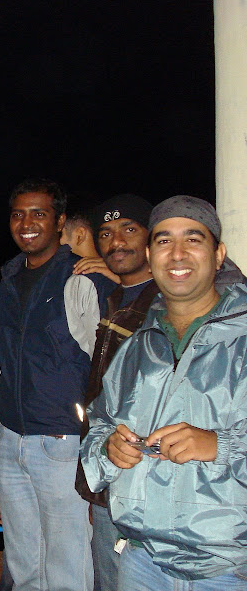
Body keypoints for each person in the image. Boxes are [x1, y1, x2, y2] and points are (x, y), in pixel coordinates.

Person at [81, 196, 247, 590]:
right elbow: (99, 424)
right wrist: (108, 448)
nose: (177, 253)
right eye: (164, 241)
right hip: (142, 558)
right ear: (150, 255)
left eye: (193, 239)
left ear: (218, 255)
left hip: (228, 566)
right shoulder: (138, 346)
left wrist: (220, 445)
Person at [0, 178, 114, 591]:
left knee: (68, 565)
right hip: (13, 441)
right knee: (23, 564)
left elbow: (109, 377)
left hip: (64, 443)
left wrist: (95, 459)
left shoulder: (82, 282)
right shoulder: (0, 292)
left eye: (39, 213)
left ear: (59, 222)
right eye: (18, 214)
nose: (27, 223)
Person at [72, 194, 157, 591]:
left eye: (129, 229)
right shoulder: (115, 298)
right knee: (108, 579)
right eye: (105, 233)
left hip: (150, 474)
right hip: (111, 468)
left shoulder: (168, 300)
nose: (116, 241)